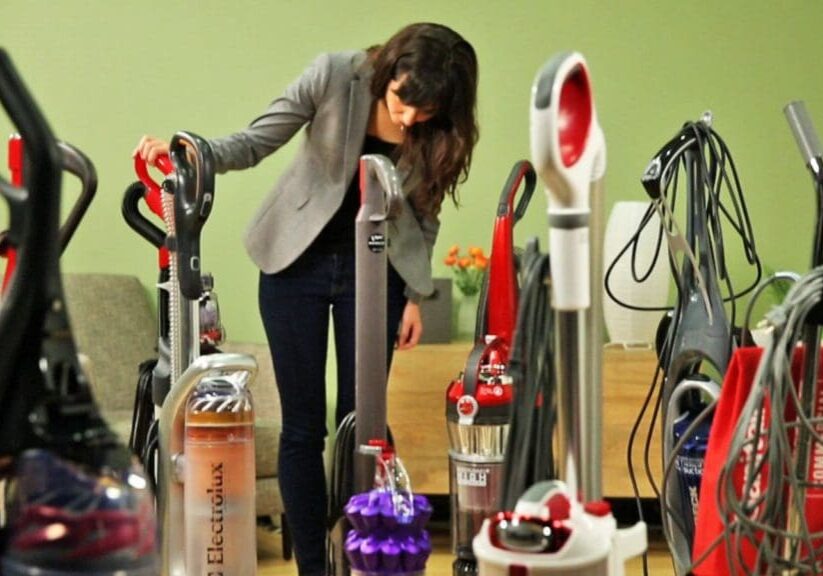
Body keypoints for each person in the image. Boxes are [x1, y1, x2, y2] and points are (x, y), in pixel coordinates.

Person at [135, 21, 478, 575]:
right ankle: (315, 569)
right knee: (303, 427)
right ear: (389, 70)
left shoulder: (440, 133)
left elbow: (426, 216)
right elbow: (253, 142)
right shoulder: (335, 75)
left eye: (426, 111)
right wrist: (187, 152)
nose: (410, 118)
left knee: (362, 421)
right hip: (295, 267)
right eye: (401, 100)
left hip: (379, 275)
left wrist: (417, 294)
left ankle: (365, 557)